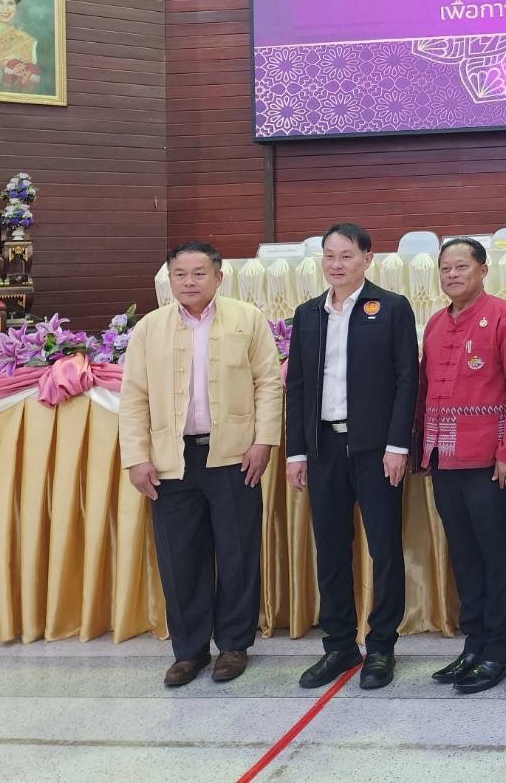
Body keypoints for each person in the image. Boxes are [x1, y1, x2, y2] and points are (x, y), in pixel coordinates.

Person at [118, 241, 283, 688]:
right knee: (180, 558)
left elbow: (269, 383)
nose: (189, 282)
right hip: (171, 460)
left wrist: (264, 441)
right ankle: (189, 651)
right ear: (169, 279)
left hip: (234, 455)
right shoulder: (150, 328)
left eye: (198, 273)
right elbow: (133, 397)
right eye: (180, 274)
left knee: (237, 553)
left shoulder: (247, 319)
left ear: (218, 277)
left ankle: (233, 646)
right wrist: (136, 457)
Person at [285, 224, 418, 691]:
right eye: (329, 256)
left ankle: (381, 646)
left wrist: (397, 446)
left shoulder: (391, 307)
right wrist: (297, 451)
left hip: (377, 450)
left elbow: (407, 380)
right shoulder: (308, 314)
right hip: (323, 448)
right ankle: (340, 645)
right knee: (331, 550)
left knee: (384, 549)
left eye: (346, 255)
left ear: (367, 258)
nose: (336, 264)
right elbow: (297, 387)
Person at [415, 238, 506, 694]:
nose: (452, 275)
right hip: (443, 457)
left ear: (483, 270)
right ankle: (474, 644)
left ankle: (501, 651)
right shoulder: (435, 323)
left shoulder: (505, 317)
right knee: (464, 554)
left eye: (461, 266)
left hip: (489, 460)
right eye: (445, 268)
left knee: (494, 553)